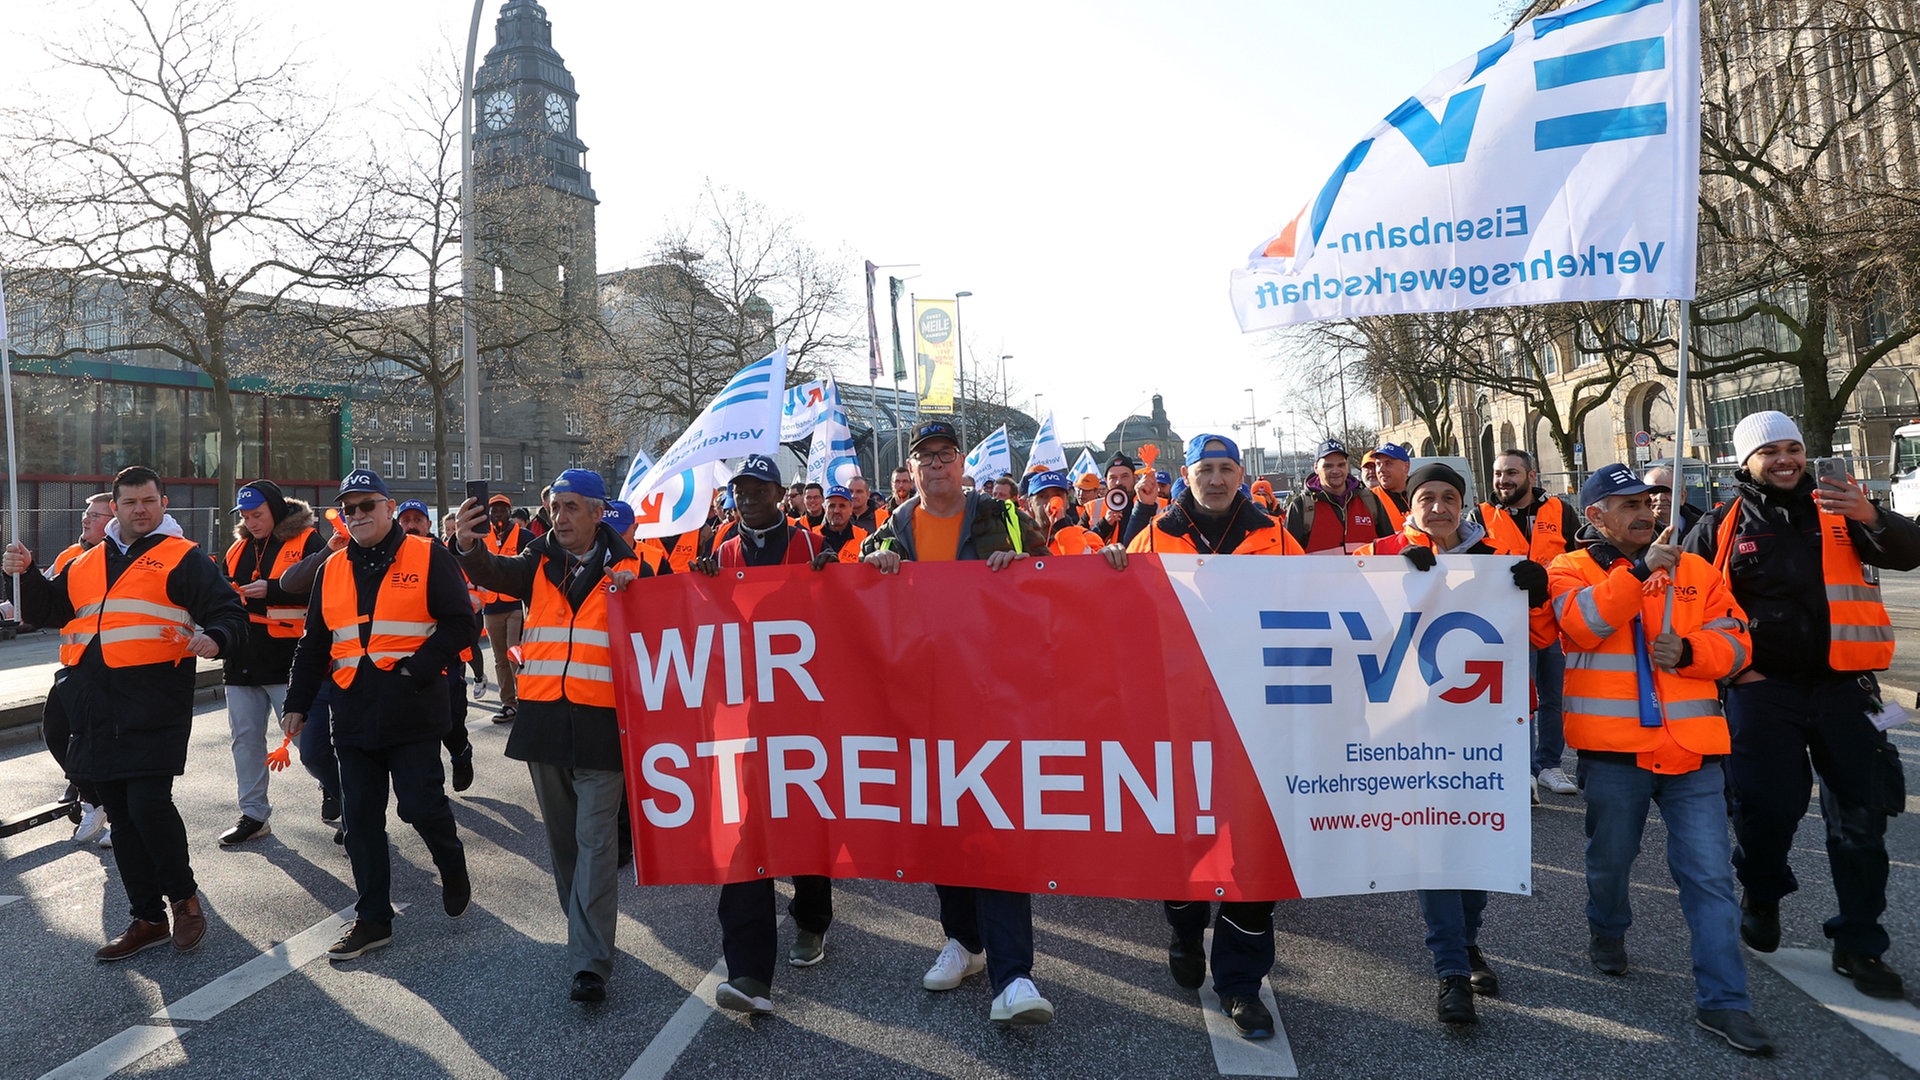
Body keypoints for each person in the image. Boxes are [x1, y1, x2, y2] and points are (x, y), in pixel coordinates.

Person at [1685, 411, 1920, 1000]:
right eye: (1770, 451)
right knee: (1766, 809)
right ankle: (1762, 892)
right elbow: (1686, 603)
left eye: (1793, 446)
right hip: (1762, 691)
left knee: (1862, 819)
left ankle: (1860, 944)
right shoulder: (1720, 525)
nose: (1785, 459)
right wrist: (1737, 668)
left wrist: (1872, 515)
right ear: (1745, 462)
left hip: (1848, 690)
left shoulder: (1843, 511)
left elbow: (1910, 552)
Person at [1544, 462, 1774, 1055]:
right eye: (1627, 505)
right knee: (1610, 864)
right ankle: (1608, 929)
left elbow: (1737, 639)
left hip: (1694, 752)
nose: (1645, 512)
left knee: (1710, 878)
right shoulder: (1569, 568)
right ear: (1595, 516)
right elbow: (1581, 624)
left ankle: (1725, 1002)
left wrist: (1695, 649)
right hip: (1616, 753)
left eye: (1647, 501)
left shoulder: (1694, 568)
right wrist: (1640, 573)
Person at [6, 465, 248, 961]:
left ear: (163, 506)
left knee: (148, 805)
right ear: (114, 507)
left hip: (154, 700)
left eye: (150, 502)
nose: (141, 510)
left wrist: (215, 637)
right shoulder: (87, 561)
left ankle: (183, 901)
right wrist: (25, 572)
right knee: (120, 811)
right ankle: (146, 917)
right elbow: (50, 610)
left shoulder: (184, 558)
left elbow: (229, 611)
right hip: (94, 704)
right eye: (131, 502)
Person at [862, 419, 1056, 1025]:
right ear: (912, 470)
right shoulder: (892, 528)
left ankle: (1014, 976)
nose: (936, 466)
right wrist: (879, 562)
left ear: (962, 462)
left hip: (994, 699)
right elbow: (851, 588)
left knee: (997, 829)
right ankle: (963, 941)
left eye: (946, 455)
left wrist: (1020, 562)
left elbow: (1054, 579)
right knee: (942, 828)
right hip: (924, 703)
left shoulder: (1002, 514)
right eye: (926, 458)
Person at [1116, 435, 1296, 1038]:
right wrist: (1111, 568)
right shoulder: (1153, 535)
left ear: (1241, 473)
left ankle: (1241, 985)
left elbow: (1324, 594)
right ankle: (1185, 925)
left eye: (1225, 469)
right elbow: (1121, 610)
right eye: (1204, 470)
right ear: (1184, 475)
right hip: (1177, 717)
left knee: (1254, 852)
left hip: (1255, 717)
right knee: (1187, 837)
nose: (1216, 480)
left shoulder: (1274, 535)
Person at [1357, 462, 1548, 1026]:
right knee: (1437, 848)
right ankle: (1450, 972)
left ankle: (1467, 943)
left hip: (1490, 724)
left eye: (1448, 498)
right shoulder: (1382, 550)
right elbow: (1350, 624)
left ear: (1461, 504)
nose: (1437, 507)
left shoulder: (1493, 557)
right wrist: (1395, 580)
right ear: (1409, 505)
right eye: (1426, 498)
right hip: (1414, 725)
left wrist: (1535, 595)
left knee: (1480, 843)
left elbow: (1542, 636)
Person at [456, 469, 644, 1003]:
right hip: (544, 723)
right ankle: (586, 929)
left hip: (604, 727)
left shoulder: (636, 569)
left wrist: (642, 593)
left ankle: (589, 962)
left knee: (596, 844)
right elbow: (492, 569)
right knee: (564, 847)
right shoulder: (538, 559)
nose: (558, 517)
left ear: (597, 513)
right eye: (554, 506)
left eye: (570, 508)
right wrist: (466, 545)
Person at [282, 469, 477, 962]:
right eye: (349, 508)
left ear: (389, 508)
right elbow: (314, 644)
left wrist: (421, 666)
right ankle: (372, 919)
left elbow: (462, 622)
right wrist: (297, 704)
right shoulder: (331, 569)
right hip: (352, 708)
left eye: (367, 505)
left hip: (410, 706)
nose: (358, 514)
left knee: (417, 805)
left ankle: (451, 862)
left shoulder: (427, 554)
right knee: (361, 819)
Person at [688, 454, 829, 1014]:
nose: (747, 498)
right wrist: (698, 590)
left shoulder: (810, 547)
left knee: (805, 821)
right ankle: (748, 973)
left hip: (805, 716)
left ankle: (813, 918)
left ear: (780, 494)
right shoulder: (722, 551)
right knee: (745, 832)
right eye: (740, 490)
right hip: (744, 718)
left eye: (758, 490)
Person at [216, 479, 328, 846]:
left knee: (308, 743)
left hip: (290, 660)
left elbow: (329, 585)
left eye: (258, 515)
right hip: (242, 661)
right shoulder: (236, 550)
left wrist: (274, 588)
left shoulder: (309, 540)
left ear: (276, 510)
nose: (251, 523)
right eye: (246, 517)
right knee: (245, 741)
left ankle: (340, 794)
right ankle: (253, 815)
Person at [1470, 449, 1580, 800]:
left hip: (1554, 622)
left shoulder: (1560, 511)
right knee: (1518, 702)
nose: (1504, 480)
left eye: (1512, 473)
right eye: (1498, 473)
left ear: (1532, 476)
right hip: (1507, 626)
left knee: (1554, 698)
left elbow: (1578, 560)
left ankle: (1549, 764)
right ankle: (1521, 768)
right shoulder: (1479, 516)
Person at [42, 492, 115, 848]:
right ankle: (95, 800)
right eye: (87, 514)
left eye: (97, 515)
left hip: (113, 664)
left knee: (108, 741)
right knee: (55, 731)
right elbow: (43, 598)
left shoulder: (119, 558)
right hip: (73, 661)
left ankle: (118, 812)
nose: (86, 520)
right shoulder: (70, 556)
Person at [397, 500, 478, 794]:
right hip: (406, 657)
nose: (411, 524)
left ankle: (460, 752)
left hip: (446, 654)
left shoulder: (444, 555)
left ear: (429, 524)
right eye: (405, 519)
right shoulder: (389, 556)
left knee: (451, 720)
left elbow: (470, 598)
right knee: (419, 726)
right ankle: (430, 791)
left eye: (418, 519)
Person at [477, 494, 534, 723]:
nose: (498, 514)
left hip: (515, 605)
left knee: (514, 652)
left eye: (502, 510)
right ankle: (508, 703)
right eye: (494, 511)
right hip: (491, 605)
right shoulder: (482, 537)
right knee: (500, 658)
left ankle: (526, 699)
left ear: (509, 512)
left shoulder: (525, 536)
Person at [1282, 440, 1392, 554]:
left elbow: (1390, 546)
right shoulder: (1301, 506)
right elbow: (1288, 558)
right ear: (1316, 468)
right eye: (1328, 466)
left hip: (1368, 572)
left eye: (1341, 465)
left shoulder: (1369, 500)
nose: (1335, 471)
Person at [1024, 471, 1099, 555]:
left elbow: (1088, 565)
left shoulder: (1087, 537)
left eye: (1058, 496)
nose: (1051, 503)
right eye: (1043, 496)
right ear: (1029, 504)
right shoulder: (1019, 540)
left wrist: (1062, 528)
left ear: (1067, 502)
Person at [810, 485, 868, 565]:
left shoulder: (864, 539)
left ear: (851, 508)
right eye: (832, 506)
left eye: (842, 506)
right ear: (825, 508)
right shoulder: (811, 537)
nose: (836, 510)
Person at [1644, 465, 1704, 539]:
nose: (1660, 498)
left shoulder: (1703, 528)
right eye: (1654, 492)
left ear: (1682, 497)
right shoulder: (1635, 531)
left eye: (1668, 492)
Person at [1368, 445, 1411, 533]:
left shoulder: (1421, 494)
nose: (1381, 469)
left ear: (1406, 467)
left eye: (1388, 463)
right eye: (1378, 464)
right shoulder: (1369, 499)